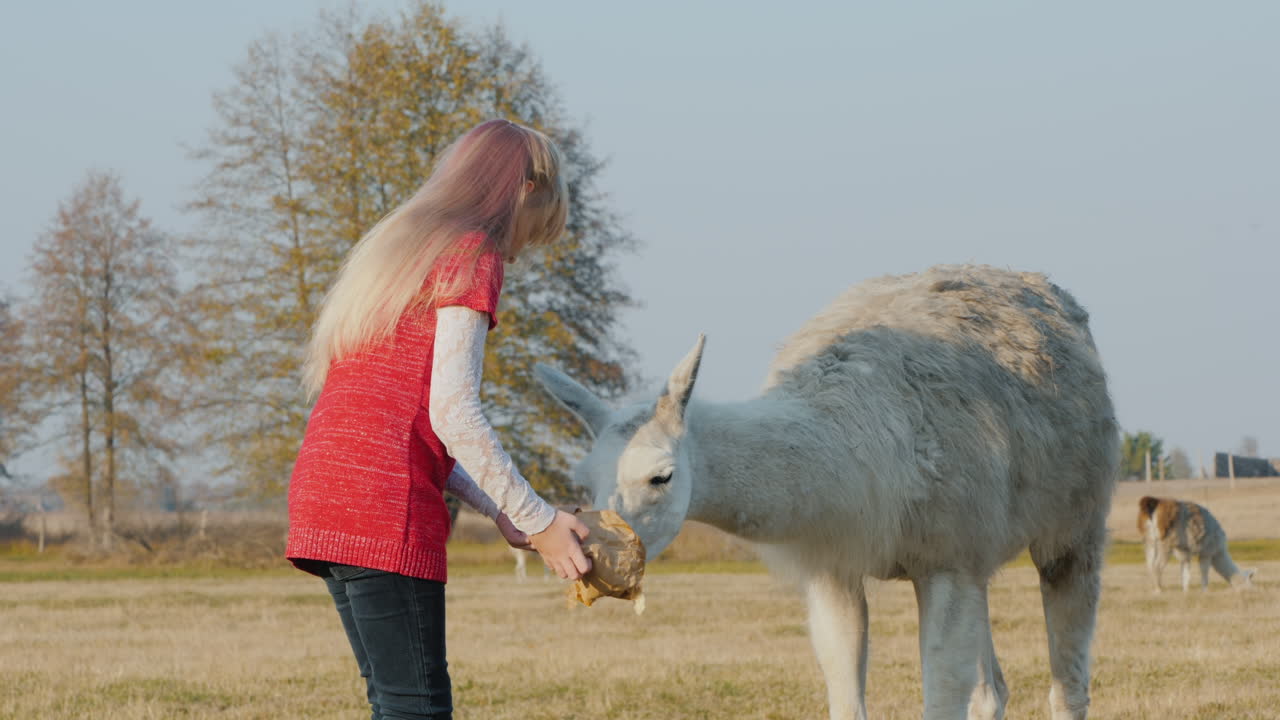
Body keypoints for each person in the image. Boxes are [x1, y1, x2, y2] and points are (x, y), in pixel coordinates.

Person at [286, 119, 593, 720]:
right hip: (383, 505)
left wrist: (505, 511)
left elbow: (411, 420)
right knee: (417, 709)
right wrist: (538, 517)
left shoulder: (404, 254)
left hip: (326, 494)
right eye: (539, 223)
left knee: (394, 702)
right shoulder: (471, 252)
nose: (522, 247)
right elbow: (453, 413)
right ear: (526, 188)